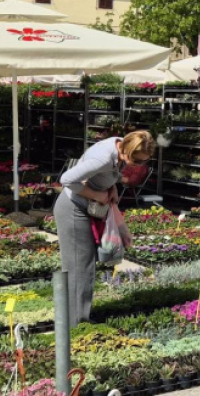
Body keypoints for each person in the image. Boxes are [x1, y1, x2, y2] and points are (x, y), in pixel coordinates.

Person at [55, 130, 155, 326]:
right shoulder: (102, 158)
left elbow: (108, 174)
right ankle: (77, 323)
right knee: (80, 267)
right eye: (137, 161)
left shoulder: (117, 146)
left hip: (85, 206)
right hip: (73, 208)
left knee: (85, 265)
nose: (139, 165)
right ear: (126, 151)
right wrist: (96, 195)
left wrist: (113, 187)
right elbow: (66, 179)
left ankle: (78, 315)